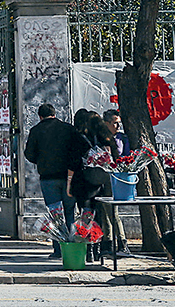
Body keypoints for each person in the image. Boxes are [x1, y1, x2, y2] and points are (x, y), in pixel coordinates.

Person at [24, 103, 88, 259]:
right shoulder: (68, 128)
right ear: (55, 114)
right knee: (70, 213)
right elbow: (83, 147)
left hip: (48, 178)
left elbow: (29, 154)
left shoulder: (36, 131)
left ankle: (58, 249)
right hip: (69, 177)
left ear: (40, 116)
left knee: (55, 215)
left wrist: (40, 160)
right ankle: (72, 248)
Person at [70, 110, 123, 263]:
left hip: (84, 182)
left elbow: (73, 162)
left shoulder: (79, 138)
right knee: (98, 215)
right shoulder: (105, 138)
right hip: (102, 181)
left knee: (86, 215)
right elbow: (116, 159)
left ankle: (88, 249)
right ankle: (98, 248)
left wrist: (69, 184)